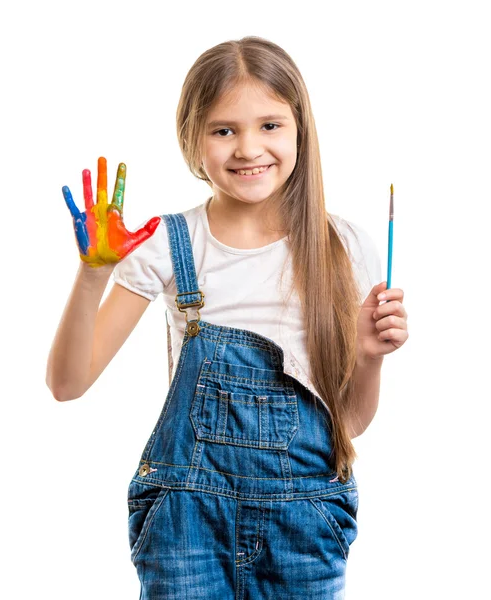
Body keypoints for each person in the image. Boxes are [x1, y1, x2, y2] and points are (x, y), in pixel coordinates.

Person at [46, 35, 409, 599]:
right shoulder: (167, 245)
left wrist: (368, 358)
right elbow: (67, 385)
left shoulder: (344, 247)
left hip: (306, 524)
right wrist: (93, 273)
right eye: (224, 130)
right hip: (187, 524)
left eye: (269, 125)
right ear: (193, 141)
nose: (247, 148)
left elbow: (352, 425)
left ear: (299, 131)